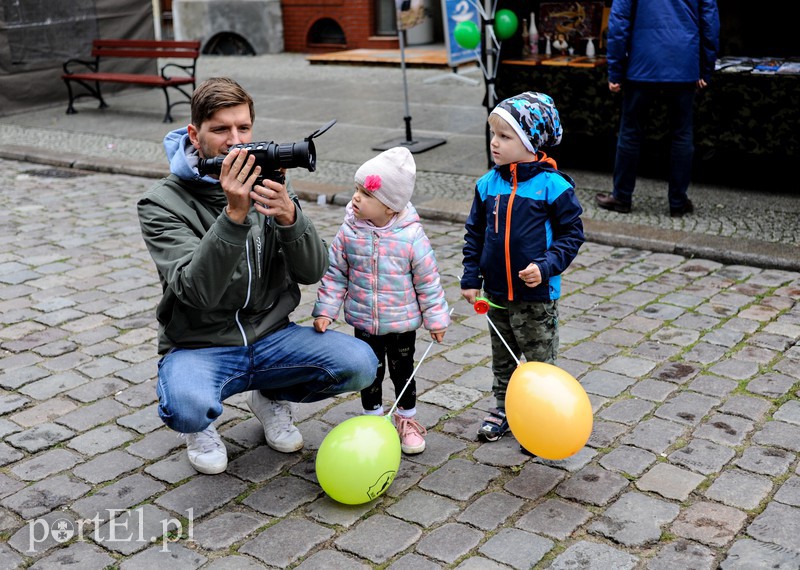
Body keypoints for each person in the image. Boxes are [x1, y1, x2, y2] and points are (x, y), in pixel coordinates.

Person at [137, 77, 378, 475]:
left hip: (272, 335)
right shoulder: (161, 203)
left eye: (243, 128)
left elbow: (312, 270)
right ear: (195, 136)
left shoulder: (268, 177)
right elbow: (197, 291)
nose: (235, 140)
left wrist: (289, 216)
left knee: (360, 363)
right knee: (186, 406)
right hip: (200, 345)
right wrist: (233, 216)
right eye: (220, 130)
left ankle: (269, 397)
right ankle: (201, 427)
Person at [461, 92, 585, 443]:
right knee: (502, 357)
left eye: (505, 136)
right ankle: (503, 407)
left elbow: (571, 235)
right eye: (494, 134)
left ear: (531, 142)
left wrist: (546, 266)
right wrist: (471, 276)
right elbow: (475, 233)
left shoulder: (554, 187)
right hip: (496, 293)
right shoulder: (487, 185)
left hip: (537, 295)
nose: (494, 143)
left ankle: (543, 417)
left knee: (539, 361)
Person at [312, 147, 451, 455]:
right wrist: (325, 310)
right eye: (356, 190)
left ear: (390, 207)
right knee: (368, 373)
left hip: (402, 324)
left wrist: (436, 318)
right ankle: (373, 420)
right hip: (364, 321)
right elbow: (336, 273)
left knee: (403, 372)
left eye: (366, 193)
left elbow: (428, 281)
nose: (356, 198)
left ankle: (407, 420)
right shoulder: (349, 232)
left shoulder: (412, 237)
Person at [595, 0, 720, 217]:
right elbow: (710, 22)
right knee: (682, 133)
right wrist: (705, 68)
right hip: (683, 60)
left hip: (642, 63)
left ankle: (622, 197)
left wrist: (615, 70)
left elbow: (619, 22)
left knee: (630, 132)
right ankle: (678, 202)